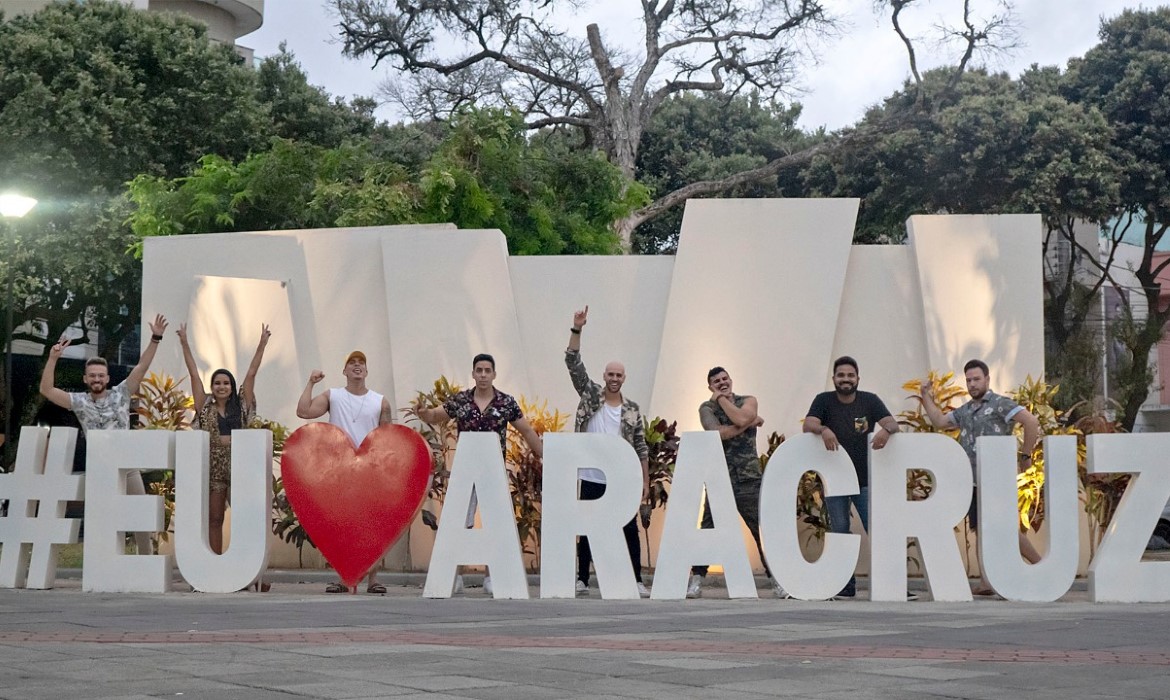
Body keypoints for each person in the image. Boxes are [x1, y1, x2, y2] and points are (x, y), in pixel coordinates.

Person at [39, 314, 169, 555]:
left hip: (127, 467)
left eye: (101, 375)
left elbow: (141, 367)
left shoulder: (121, 393)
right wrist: (53, 357)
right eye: (93, 376)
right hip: (100, 469)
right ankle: (104, 563)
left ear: (107, 378)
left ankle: (145, 563)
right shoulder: (78, 401)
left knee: (140, 514)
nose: (97, 379)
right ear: (86, 379)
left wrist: (156, 338)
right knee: (104, 519)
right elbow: (46, 389)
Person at [417, 353, 543, 596]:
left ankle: (491, 576)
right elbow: (435, 415)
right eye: (479, 370)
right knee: (460, 521)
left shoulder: (506, 402)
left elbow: (526, 430)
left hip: (493, 473)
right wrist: (423, 413)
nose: (483, 374)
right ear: (473, 373)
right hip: (466, 474)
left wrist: (543, 456)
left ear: (494, 374)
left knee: (496, 523)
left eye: (488, 370)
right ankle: (454, 576)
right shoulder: (461, 400)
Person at [919, 358, 1042, 596]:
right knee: (981, 529)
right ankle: (988, 581)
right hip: (973, 481)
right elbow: (940, 422)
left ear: (987, 379)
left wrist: (1026, 454)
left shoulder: (999, 404)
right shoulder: (966, 411)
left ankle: (1039, 566)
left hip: (996, 479)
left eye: (977, 379)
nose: (972, 384)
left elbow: (1030, 421)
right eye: (969, 380)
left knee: (1004, 528)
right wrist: (925, 397)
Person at [564, 306, 651, 598]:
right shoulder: (591, 395)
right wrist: (577, 329)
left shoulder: (632, 409)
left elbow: (641, 447)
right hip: (591, 474)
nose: (614, 378)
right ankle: (582, 579)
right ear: (604, 376)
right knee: (587, 526)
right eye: (610, 374)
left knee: (629, 529)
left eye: (619, 375)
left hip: (621, 477)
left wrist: (645, 482)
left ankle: (636, 578)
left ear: (624, 378)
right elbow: (573, 362)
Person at [296, 350, 395, 594]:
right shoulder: (334, 396)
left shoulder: (380, 401)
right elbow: (304, 411)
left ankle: (373, 580)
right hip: (339, 469)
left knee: (372, 525)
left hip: (369, 470)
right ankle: (344, 578)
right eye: (352, 363)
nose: (357, 366)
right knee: (343, 525)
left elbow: (387, 438)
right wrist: (311, 382)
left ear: (367, 371)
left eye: (362, 362)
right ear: (345, 371)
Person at [803, 355, 901, 599]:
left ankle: (893, 584)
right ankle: (846, 586)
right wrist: (824, 429)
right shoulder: (823, 400)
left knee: (875, 530)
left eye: (850, 375)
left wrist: (885, 431)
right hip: (835, 480)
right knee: (840, 532)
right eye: (841, 375)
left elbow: (892, 423)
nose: (846, 379)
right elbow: (809, 424)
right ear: (834, 378)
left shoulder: (870, 400)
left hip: (865, 480)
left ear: (858, 378)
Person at [687, 367, 787, 599]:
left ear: (731, 380)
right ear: (709, 386)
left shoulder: (748, 400)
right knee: (707, 528)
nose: (722, 383)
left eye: (724, 379)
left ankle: (777, 580)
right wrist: (748, 423)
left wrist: (730, 408)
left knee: (760, 529)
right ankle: (696, 580)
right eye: (716, 382)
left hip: (749, 479)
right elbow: (714, 433)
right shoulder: (706, 408)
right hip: (718, 477)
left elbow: (742, 416)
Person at [176, 323, 271, 565]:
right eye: (217, 383)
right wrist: (185, 342)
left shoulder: (241, 405)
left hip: (239, 468)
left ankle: (247, 568)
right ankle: (215, 564)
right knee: (215, 518)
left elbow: (251, 373)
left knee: (244, 519)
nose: (221, 387)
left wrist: (262, 344)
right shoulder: (204, 405)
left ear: (231, 386)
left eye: (226, 383)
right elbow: (194, 373)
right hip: (214, 470)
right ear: (213, 386)